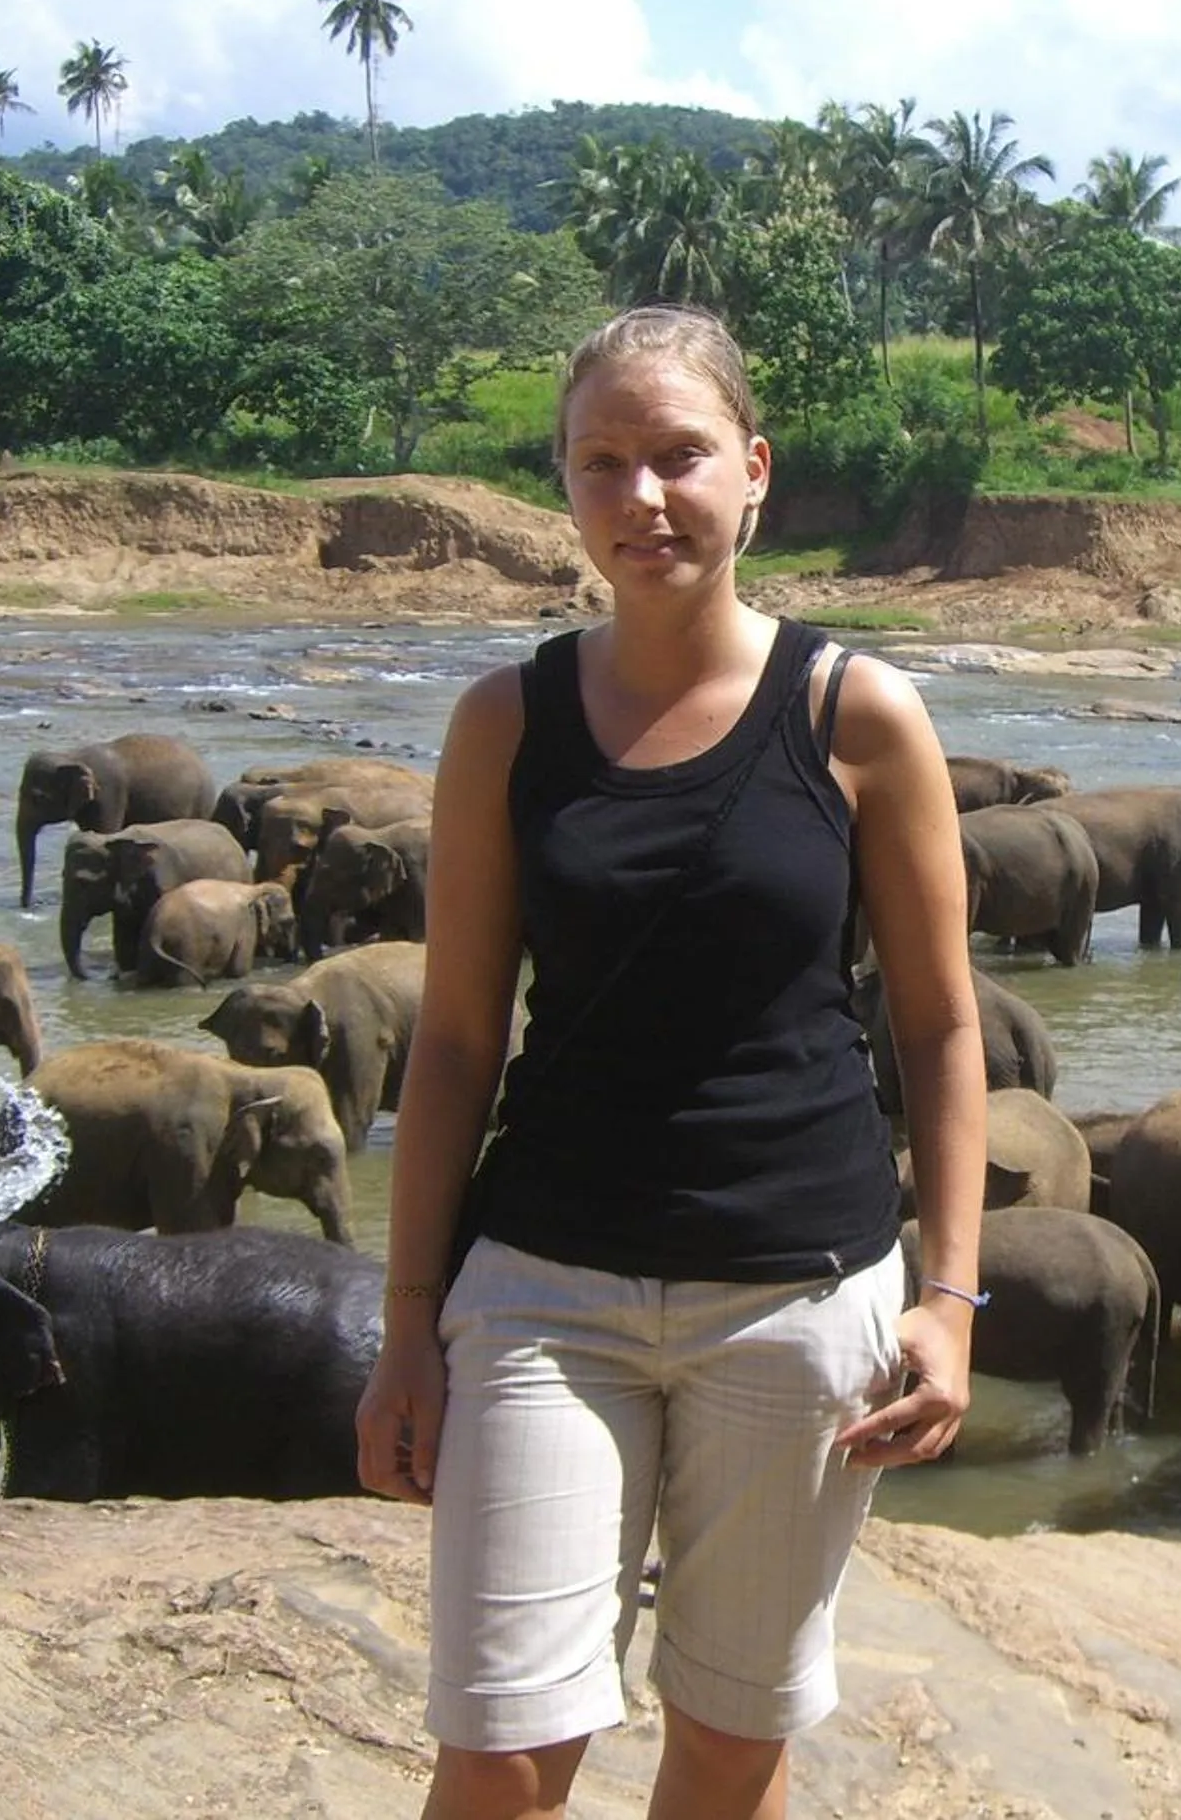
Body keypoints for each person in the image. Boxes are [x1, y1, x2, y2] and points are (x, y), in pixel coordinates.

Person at [352, 305, 985, 1820]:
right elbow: (451, 1039)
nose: (643, 498)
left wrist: (951, 1298)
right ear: (563, 490)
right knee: (501, 1752)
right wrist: (405, 1324)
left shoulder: (858, 717)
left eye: (680, 456)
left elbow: (943, 1026)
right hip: (544, 1291)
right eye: (603, 464)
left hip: (796, 1293)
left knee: (724, 1747)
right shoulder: (505, 723)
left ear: (753, 472)